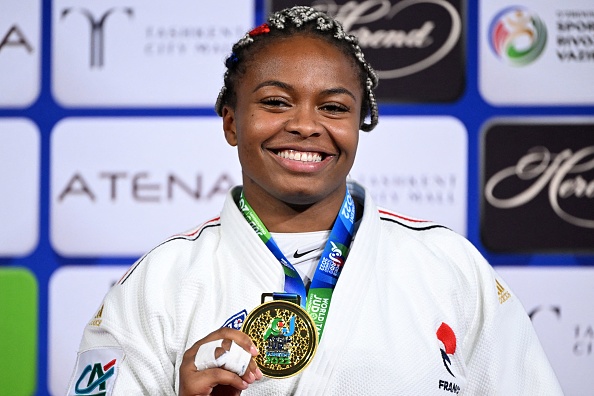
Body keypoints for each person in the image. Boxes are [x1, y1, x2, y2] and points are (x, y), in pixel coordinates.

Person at [67, 6, 563, 396]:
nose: (306, 125)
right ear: (231, 123)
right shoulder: (160, 283)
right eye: (276, 102)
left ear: (359, 125)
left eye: (333, 107)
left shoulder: (448, 267)